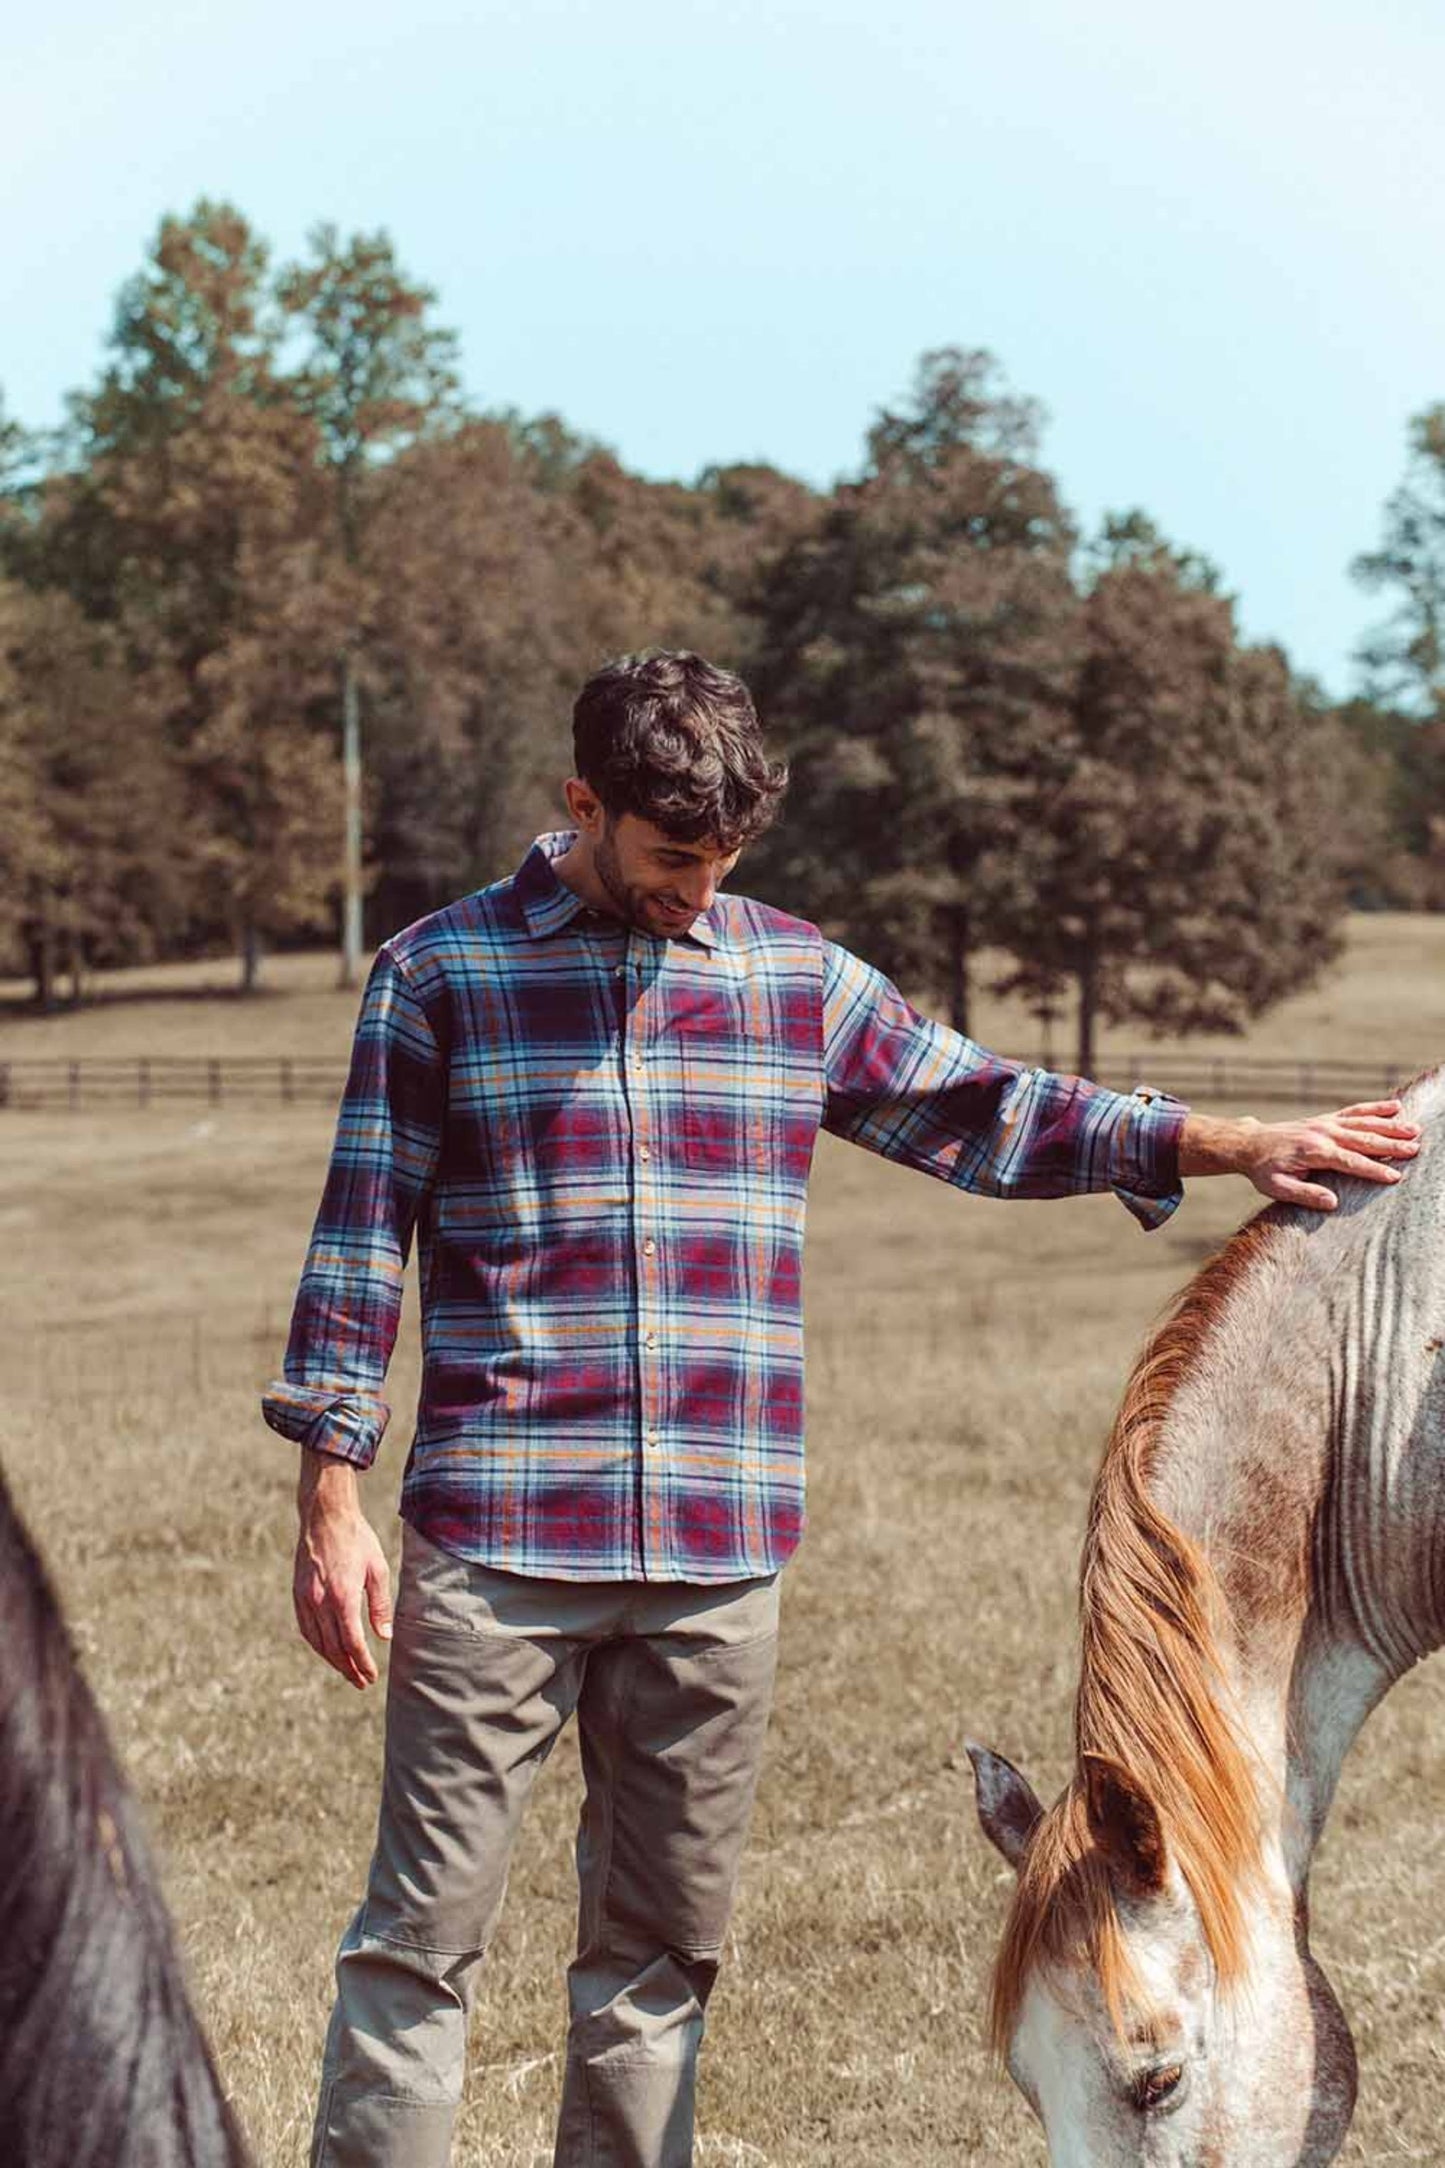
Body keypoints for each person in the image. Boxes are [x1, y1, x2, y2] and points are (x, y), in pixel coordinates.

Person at [262, 649, 1419, 2168]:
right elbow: (360, 1241)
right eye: (670, 858)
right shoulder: (439, 977)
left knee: (657, 1964)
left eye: (724, 861)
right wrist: (330, 1495)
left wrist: (1230, 1140)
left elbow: (991, 1109)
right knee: (418, 1948)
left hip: (717, 1561)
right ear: (581, 805)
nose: (698, 892)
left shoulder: (790, 978)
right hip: (498, 1547)